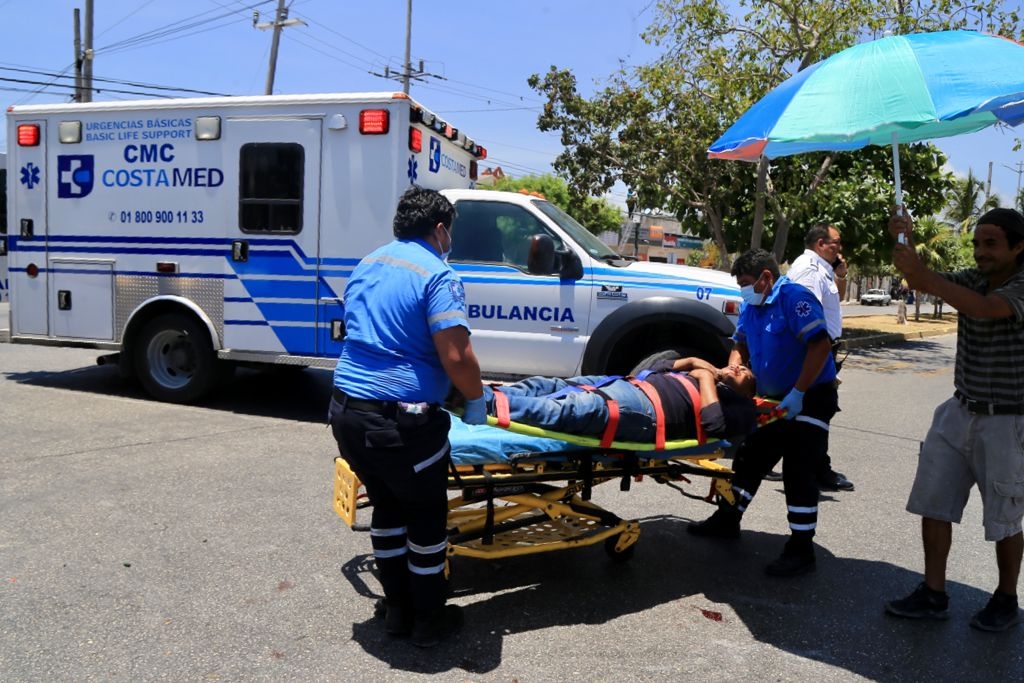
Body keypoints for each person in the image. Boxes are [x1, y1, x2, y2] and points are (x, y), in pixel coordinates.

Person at [327, 186, 488, 648]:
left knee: (388, 510)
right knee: (424, 520)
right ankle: (428, 619)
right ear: (440, 230)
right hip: (402, 424)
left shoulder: (368, 263)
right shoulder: (439, 275)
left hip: (347, 414)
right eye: (450, 232)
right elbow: (457, 357)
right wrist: (475, 401)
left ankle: (396, 608)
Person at [884, 207, 1024, 632]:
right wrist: (903, 238)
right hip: (959, 409)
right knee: (934, 500)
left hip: (1007, 420)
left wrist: (925, 278)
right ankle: (933, 593)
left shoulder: (1019, 286)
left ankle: (1005, 598)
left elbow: (983, 309)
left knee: (1004, 515)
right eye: (978, 243)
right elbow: (920, 277)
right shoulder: (973, 278)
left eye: (991, 244)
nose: (980, 252)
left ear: (1019, 248)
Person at [688, 249, 838, 577]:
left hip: (810, 395)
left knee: (799, 468)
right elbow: (739, 343)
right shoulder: (752, 306)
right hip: (772, 398)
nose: (744, 290)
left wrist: (798, 393)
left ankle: (801, 548)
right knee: (750, 456)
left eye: (746, 283)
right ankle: (727, 520)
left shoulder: (794, 298)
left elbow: (820, 345)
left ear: (766, 278)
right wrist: (733, 366)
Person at [471, 357, 758, 443]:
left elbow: (714, 425)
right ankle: (480, 389)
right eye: (738, 365)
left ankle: (477, 401)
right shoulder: (702, 375)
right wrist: (694, 361)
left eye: (744, 372)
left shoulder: (742, 408)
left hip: (645, 411)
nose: (737, 367)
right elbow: (654, 368)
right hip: (630, 385)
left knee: (569, 409)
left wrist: (706, 377)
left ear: (748, 391)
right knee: (552, 385)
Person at [784, 223, 855, 492]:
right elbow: (806, 317)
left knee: (816, 408)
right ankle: (815, 470)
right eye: (835, 242)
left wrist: (842, 274)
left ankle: (810, 466)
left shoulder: (823, 271)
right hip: (816, 348)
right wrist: (818, 353)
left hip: (823, 347)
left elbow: (836, 301)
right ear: (820, 244)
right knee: (820, 407)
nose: (840, 247)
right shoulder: (810, 272)